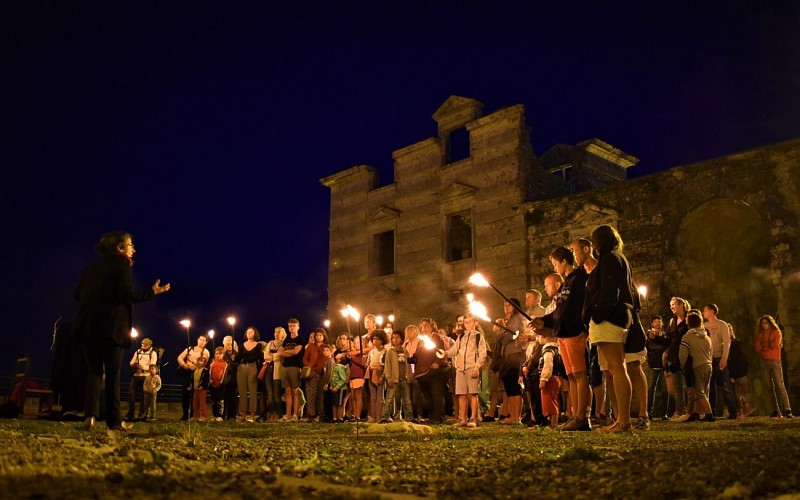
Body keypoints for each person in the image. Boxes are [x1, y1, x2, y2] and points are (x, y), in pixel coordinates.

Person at [73, 231, 171, 432]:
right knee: (113, 374)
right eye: (130, 244)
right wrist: (152, 292)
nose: (133, 249)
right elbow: (126, 295)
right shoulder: (122, 266)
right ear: (120, 248)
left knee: (93, 372)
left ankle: (89, 417)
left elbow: (77, 294)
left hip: (88, 326)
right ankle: (114, 421)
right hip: (112, 328)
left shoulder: (91, 268)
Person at [531, 247, 591, 431]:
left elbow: (583, 305)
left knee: (580, 374)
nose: (555, 267)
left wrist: (583, 326)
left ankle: (582, 416)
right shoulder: (566, 283)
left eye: (555, 263)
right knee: (571, 376)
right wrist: (544, 320)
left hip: (575, 332)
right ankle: (574, 416)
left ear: (564, 261)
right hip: (563, 334)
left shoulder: (579, 278)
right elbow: (559, 311)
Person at [582, 225, 634, 433]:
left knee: (617, 368)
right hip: (616, 316)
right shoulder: (618, 258)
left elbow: (610, 291)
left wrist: (597, 313)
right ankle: (621, 419)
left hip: (609, 318)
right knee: (615, 368)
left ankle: (624, 421)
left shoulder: (610, 259)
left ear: (598, 242)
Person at [443, 314, 487, 428]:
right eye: (465, 322)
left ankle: (473, 418)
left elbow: (482, 354)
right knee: (461, 394)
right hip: (460, 369)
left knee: (473, 393)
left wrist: (476, 367)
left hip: (471, 367)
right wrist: (445, 353)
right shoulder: (461, 336)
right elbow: (455, 349)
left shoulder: (478, 337)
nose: (466, 324)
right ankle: (463, 418)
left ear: (475, 323)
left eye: (469, 322)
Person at [703, 304, 738, 419]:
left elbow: (727, 342)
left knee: (726, 386)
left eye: (705, 310)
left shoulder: (722, 325)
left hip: (719, 357)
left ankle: (733, 411)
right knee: (710, 387)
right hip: (709, 359)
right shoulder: (704, 326)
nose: (703, 313)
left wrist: (724, 358)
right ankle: (711, 411)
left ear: (712, 311)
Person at [755, 315, 793, 418]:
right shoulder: (760, 334)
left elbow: (775, 345)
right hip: (764, 361)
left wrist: (764, 347)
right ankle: (775, 410)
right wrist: (766, 347)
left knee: (780, 385)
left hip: (774, 360)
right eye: (763, 323)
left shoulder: (776, 332)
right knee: (769, 386)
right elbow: (757, 348)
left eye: (766, 323)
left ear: (770, 323)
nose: (764, 325)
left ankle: (787, 409)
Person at [679, 311, 714, 422]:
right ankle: (696, 413)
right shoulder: (707, 337)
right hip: (708, 365)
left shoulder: (687, 337)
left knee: (698, 392)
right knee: (703, 390)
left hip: (696, 365)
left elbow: (683, 355)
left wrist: (683, 366)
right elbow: (711, 352)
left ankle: (709, 414)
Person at [665, 297, 690, 422]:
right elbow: (668, 340)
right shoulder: (672, 321)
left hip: (685, 355)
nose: (671, 307)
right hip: (673, 356)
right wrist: (654, 337)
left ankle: (691, 410)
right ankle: (679, 410)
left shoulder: (689, 318)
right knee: (677, 386)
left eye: (674, 304)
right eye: (671, 305)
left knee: (689, 385)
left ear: (681, 305)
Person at [178, 335, 210, 420]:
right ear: (197, 340)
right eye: (200, 339)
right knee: (185, 394)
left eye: (204, 340)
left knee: (195, 395)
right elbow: (180, 357)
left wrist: (192, 361)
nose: (202, 342)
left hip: (197, 373)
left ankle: (194, 414)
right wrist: (184, 365)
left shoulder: (205, 351)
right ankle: (185, 414)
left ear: (206, 342)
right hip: (187, 372)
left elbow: (203, 362)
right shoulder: (189, 348)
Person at [278, 318, 304, 422]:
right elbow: (280, 352)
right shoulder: (286, 339)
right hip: (285, 367)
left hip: (295, 366)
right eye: (290, 326)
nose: (291, 328)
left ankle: (295, 414)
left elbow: (296, 352)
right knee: (287, 391)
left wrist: (286, 352)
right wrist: (289, 352)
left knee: (295, 391)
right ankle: (287, 415)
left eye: (293, 326)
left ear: (298, 327)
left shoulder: (300, 339)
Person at [126, 337, 158, 421]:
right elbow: (131, 362)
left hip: (146, 376)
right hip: (136, 375)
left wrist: (143, 367)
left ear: (149, 345)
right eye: (142, 344)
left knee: (144, 396)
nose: (142, 346)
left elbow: (152, 366)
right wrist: (134, 365)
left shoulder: (153, 353)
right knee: (131, 393)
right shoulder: (138, 351)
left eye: (145, 345)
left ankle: (141, 414)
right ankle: (130, 413)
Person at [385, 330, 413, 421]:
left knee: (407, 400)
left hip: (404, 379)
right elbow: (387, 366)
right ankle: (385, 417)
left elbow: (408, 365)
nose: (395, 339)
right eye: (393, 337)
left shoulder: (405, 351)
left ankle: (409, 417)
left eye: (397, 337)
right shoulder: (390, 351)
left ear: (401, 339)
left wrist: (409, 376)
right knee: (389, 399)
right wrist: (389, 378)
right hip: (394, 379)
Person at [645, 316, 670, 420]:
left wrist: (655, 337)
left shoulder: (665, 334)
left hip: (663, 365)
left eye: (659, 321)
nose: (658, 323)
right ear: (652, 324)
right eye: (655, 321)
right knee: (651, 389)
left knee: (665, 390)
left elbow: (666, 343)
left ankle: (664, 413)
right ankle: (649, 412)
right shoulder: (648, 335)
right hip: (653, 364)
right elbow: (647, 347)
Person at [303, 328, 329, 422]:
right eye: (317, 335)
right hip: (312, 373)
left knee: (321, 395)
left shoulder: (326, 347)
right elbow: (304, 359)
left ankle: (320, 414)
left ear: (324, 336)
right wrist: (310, 366)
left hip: (322, 373)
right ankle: (311, 415)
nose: (318, 337)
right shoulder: (310, 346)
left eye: (320, 335)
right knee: (310, 394)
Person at [537, 331, 562, 429]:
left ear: (545, 337)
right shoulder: (556, 349)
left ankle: (553, 423)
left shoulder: (548, 350)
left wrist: (544, 378)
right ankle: (552, 422)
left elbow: (548, 364)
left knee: (550, 400)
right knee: (551, 399)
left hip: (550, 378)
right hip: (554, 377)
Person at [261, 327, 285, 422]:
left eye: (278, 332)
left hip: (277, 370)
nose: (276, 334)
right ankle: (271, 415)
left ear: (282, 334)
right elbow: (265, 355)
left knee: (276, 394)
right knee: (270, 394)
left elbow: (281, 357)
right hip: (269, 370)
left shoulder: (283, 344)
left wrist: (273, 355)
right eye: (275, 332)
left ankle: (278, 414)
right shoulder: (270, 343)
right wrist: (275, 355)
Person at [365, 330, 389, 423]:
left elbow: (386, 365)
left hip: (380, 373)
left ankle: (379, 415)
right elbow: (368, 362)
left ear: (382, 340)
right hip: (371, 373)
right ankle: (373, 416)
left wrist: (382, 377)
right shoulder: (371, 352)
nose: (375, 341)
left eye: (377, 339)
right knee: (373, 397)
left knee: (380, 397)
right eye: (374, 339)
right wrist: (366, 365)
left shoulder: (385, 351)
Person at [209, 346, 229, 422]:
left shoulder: (225, 364)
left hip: (221, 385)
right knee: (213, 401)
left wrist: (222, 382)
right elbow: (210, 372)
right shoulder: (212, 363)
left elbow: (225, 374)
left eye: (220, 354)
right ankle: (215, 415)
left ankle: (220, 416)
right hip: (213, 384)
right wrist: (210, 381)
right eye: (216, 354)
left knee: (220, 401)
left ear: (223, 354)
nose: (218, 355)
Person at [222, 335, 239, 421]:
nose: (228, 346)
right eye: (227, 344)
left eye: (230, 344)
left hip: (233, 379)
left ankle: (232, 415)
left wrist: (232, 362)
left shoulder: (236, 354)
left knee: (233, 397)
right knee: (224, 397)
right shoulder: (222, 354)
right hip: (224, 379)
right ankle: (222, 415)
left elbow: (238, 365)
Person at [190, 356, 210, 422]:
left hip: (202, 389)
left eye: (201, 361)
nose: (199, 362)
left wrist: (202, 386)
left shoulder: (205, 370)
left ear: (204, 363)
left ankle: (203, 416)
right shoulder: (195, 370)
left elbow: (206, 380)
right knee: (195, 403)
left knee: (202, 403)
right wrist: (191, 386)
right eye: (199, 360)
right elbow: (192, 379)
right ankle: (195, 416)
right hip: (195, 389)